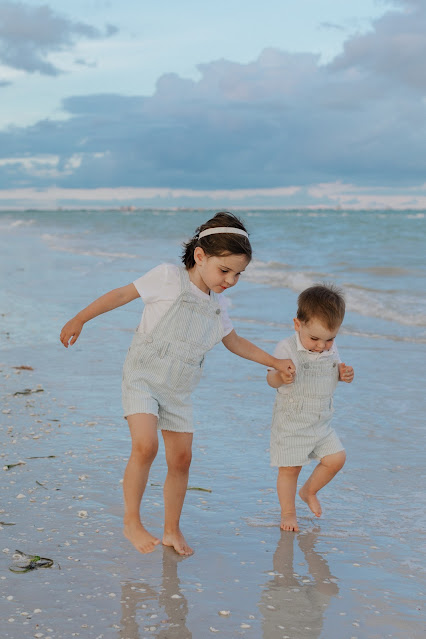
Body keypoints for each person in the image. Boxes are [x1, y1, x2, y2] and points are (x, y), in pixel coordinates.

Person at [60, 211, 295, 556]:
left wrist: (274, 361)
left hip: (179, 390)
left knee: (181, 459)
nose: (230, 280)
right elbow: (121, 295)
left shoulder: (219, 306)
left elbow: (234, 342)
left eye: (238, 274)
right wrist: (80, 318)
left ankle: (171, 529)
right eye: (225, 270)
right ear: (200, 257)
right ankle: (132, 521)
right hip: (142, 376)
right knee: (145, 446)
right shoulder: (168, 278)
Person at [266, 283, 354, 533]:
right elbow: (270, 378)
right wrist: (280, 377)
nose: (321, 346)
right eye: (314, 338)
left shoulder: (330, 348)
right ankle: (288, 512)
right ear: (298, 325)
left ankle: (309, 491)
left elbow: (332, 371)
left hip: (321, 422)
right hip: (292, 423)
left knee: (337, 459)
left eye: (330, 339)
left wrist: (344, 374)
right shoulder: (286, 348)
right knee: (290, 468)